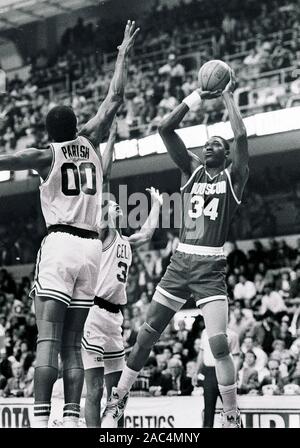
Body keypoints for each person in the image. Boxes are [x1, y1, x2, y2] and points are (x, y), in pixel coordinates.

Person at [0, 20, 139, 428]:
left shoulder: (45, 154)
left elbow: (8, 160)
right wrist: (121, 53)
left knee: (47, 338)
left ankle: (41, 422)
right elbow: (115, 97)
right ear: (77, 126)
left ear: (49, 132)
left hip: (61, 244)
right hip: (92, 249)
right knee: (73, 346)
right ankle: (73, 419)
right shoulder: (92, 139)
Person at [102, 67, 249, 428]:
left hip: (211, 268)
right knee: (145, 335)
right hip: (180, 261)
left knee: (219, 346)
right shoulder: (192, 170)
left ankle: (231, 414)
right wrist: (196, 97)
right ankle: (118, 399)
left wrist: (227, 93)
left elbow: (241, 133)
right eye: (207, 143)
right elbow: (164, 129)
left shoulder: (235, 176)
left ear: (227, 154)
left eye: (216, 143)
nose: (208, 145)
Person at [81, 123, 163, 428]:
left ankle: (115, 434)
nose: (117, 205)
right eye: (113, 203)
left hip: (115, 317)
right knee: (95, 389)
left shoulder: (125, 240)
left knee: (118, 391)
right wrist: (111, 138)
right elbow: (103, 176)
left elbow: (147, 231)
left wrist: (156, 205)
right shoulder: (101, 233)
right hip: (93, 311)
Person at [193, 327, 240, 427]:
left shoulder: (232, 334)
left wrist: (234, 375)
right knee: (208, 409)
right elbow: (202, 353)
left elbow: (236, 357)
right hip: (209, 372)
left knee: (231, 408)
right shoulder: (205, 332)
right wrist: (196, 372)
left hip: (225, 371)